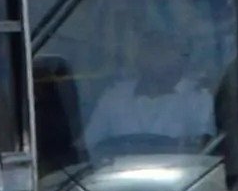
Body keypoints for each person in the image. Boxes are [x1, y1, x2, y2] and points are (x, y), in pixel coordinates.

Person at [81, 11, 217, 151]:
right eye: (150, 46)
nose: (156, 53)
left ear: (181, 56)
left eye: (166, 47)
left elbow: (204, 151)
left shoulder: (199, 99)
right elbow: (88, 146)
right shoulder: (113, 97)